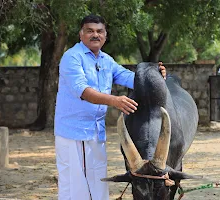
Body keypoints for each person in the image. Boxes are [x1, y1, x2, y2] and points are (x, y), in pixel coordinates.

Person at [54, 14, 166, 200]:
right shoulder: (72, 57)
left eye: (99, 31)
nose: (95, 35)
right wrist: (115, 101)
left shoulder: (106, 61)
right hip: (75, 133)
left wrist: (155, 75)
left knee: (98, 185)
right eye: (90, 31)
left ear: (105, 36)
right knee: (76, 188)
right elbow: (83, 91)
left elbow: (133, 79)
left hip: (97, 133)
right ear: (81, 35)